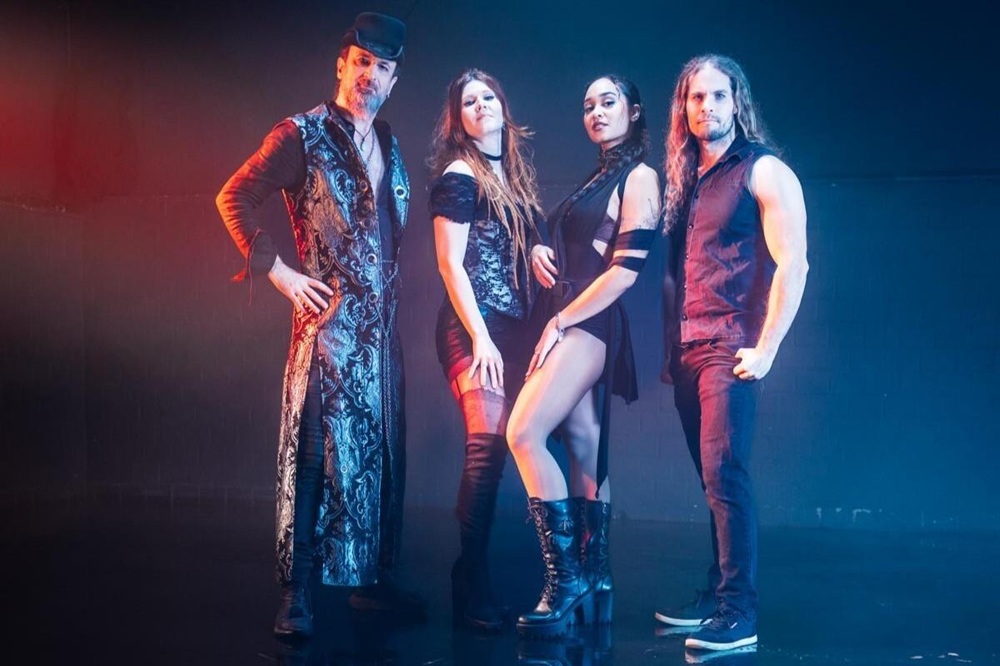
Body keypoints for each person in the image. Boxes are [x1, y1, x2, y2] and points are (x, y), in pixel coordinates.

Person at [215, 12, 424, 639]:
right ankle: (296, 592)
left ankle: (371, 580)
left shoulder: (388, 142)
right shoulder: (301, 134)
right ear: (341, 64)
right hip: (327, 333)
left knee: (380, 458)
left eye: (382, 67)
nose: (370, 75)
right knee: (312, 460)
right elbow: (233, 196)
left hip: (381, 340)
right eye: (361, 62)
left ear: (393, 80)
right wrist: (279, 273)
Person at [654, 54, 808, 651]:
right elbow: (676, 274)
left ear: (737, 101)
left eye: (718, 95)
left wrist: (767, 349)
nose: (707, 107)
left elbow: (794, 264)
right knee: (710, 479)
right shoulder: (686, 178)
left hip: (732, 347)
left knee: (725, 473)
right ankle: (717, 594)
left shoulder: (764, 170)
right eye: (696, 97)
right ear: (684, 107)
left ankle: (739, 612)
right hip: (688, 350)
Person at [506, 75, 661, 638]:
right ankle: (596, 578)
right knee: (584, 445)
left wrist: (561, 320)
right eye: (588, 105)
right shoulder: (597, 179)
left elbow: (624, 272)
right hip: (571, 314)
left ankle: (566, 580)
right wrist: (541, 249)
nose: (595, 112)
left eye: (608, 102)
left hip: (589, 321)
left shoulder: (640, 176)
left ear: (634, 112)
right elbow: (576, 245)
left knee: (524, 432)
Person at [427, 69, 545, 631]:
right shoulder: (460, 174)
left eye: (488, 96)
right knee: (485, 446)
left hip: (517, 329)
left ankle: (505, 575)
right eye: (468, 101)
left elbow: (515, 247)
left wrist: (538, 252)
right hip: (472, 327)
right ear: (459, 119)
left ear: (503, 105)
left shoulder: (514, 178)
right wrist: (481, 337)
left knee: (512, 446)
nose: (480, 105)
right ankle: (469, 578)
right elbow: (451, 264)